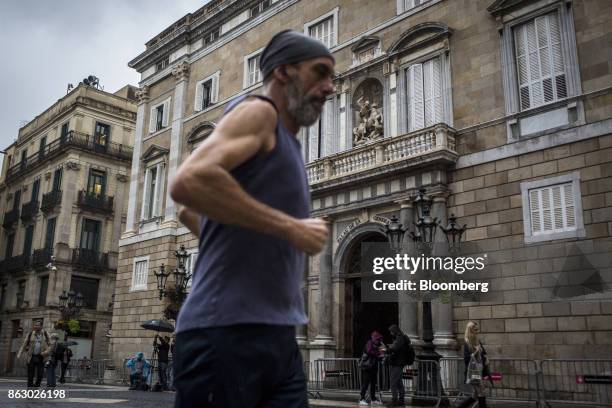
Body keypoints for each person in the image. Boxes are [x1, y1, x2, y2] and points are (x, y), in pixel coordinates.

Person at [169, 29, 334, 408]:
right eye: (319, 72)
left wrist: (244, 237)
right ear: (283, 72)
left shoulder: (288, 144)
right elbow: (188, 185)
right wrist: (289, 227)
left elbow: (190, 213)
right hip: (225, 333)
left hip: (277, 337)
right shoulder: (259, 112)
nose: (329, 87)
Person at [387, 325, 414, 407]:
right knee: (399, 382)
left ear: (394, 331)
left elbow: (395, 348)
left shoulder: (400, 338)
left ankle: (395, 400)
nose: (391, 333)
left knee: (393, 382)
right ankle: (401, 401)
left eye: (391, 331)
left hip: (398, 363)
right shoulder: (401, 338)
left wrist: (387, 349)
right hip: (398, 362)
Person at [17, 321, 50, 387]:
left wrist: (46, 352)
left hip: (41, 357)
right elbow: (24, 344)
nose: (35, 326)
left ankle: (37, 385)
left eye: (37, 325)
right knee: (30, 375)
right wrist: (19, 354)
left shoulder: (46, 334)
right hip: (31, 356)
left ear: (41, 326)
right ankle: (30, 388)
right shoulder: (30, 334)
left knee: (40, 374)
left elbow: (50, 345)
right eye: (35, 325)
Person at [463, 321, 488, 408]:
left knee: (475, 395)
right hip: (473, 372)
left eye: (477, 328)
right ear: (470, 330)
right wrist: (477, 351)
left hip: (480, 370)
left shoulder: (477, 341)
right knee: (482, 392)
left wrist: (485, 358)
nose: (477, 330)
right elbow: (466, 358)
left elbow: (484, 353)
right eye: (475, 328)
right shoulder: (467, 342)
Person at [359, 331, 386, 406]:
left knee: (373, 383)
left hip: (374, 366)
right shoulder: (369, 343)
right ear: (374, 338)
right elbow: (369, 351)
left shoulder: (379, 344)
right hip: (367, 366)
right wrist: (378, 354)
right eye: (378, 339)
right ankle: (362, 398)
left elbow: (383, 351)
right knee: (365, 383)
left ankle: (373, 399)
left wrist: (382, 347)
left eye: (379, 339)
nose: (378, 341)